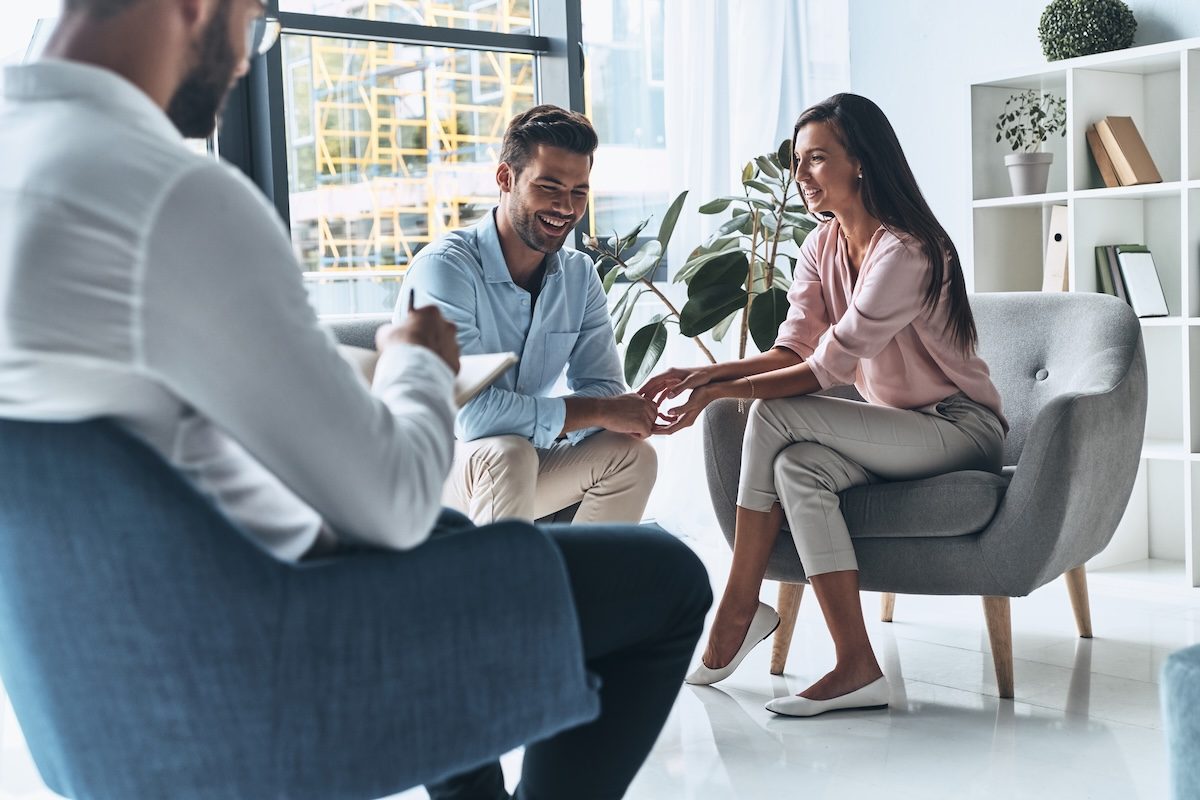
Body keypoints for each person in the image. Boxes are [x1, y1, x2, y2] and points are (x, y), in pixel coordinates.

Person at [0, 1, 710, 797]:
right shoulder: (174, 196)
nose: (245, 57)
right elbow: (393, 505)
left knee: (455, 536)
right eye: (252, 21)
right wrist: (416, 363)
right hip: (281, 652)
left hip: (99, 686)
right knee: (669, 579)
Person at [641, 93, 1008, 717]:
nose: (800, 175)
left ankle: (738, 603)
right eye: (797, 161)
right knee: (797, 468)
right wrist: (703, 374)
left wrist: (715, 390)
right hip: (897, 430)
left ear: (860, 161)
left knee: (773, 414)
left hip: (960, 429)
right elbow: (791, 350)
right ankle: (857, 665)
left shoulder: (907, 251)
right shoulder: (822, 245)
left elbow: (824, 370)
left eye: (816, 158)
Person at [395, 105, 659, 526]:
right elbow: (472, 416)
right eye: (548, 187)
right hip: (426, 473)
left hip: (515, 463)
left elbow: (605, 388)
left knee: (633, 456)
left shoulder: (579, 274)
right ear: (506, 178)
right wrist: (595, 411)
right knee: (509, 453)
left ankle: (579, 573)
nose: (565, 207)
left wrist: (613, 412)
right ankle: (508, 573)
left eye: (579, 192)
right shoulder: (445, 268)